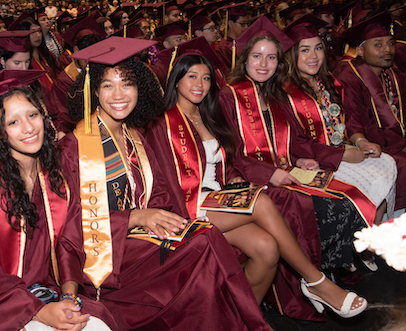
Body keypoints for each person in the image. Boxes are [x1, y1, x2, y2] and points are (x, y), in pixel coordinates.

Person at [64, 36, 269, 330]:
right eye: (108, 85)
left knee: (205, 239)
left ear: (140, 89)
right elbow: (69, 225)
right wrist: (135, 216)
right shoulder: (74, 149)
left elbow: (158, 193)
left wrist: (157, 219)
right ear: (94, 91)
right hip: (104, 252)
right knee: (202, 248)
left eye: (128, 84)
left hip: (140, 237)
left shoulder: (134, 137)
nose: (119, 94)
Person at [145, 52, 368, 318]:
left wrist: (233, 178)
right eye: (191, 76)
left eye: (206, 78)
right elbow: (164, 178)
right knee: (262, 201)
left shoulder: (208, 116)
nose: (199, 84)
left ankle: (242, 320)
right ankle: (316, 281)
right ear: (176, 81)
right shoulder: (162, 123)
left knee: (267, 248)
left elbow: (218, 165)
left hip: (215, 200)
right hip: (188, 208)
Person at [0, 69, 114, 331]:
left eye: (32, 114)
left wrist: (69, 295)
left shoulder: (57, 177)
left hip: (52, 294)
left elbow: (71, 242)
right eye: (13, 122)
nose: (28, 128)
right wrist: (36, 311)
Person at [220, 16, 370, 295]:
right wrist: (269, 173)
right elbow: (231, 153)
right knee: (312, 206)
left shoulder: (275, 94)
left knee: (346, 200)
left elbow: (297, 139)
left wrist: (300, 159)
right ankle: (310, 285)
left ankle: (325, 276)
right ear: (245, 59)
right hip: (253, 181)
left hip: (286, 170)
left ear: (280, 62)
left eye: (272, 57)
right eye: (257, 56)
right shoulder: (229, 96)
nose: (264, 64)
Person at [284, 14, 397, 225]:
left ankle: (372, 240)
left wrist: (360, 141)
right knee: (367, 188)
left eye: (318, 48)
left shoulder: (329, 82)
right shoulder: (285, 93)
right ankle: (364, 243)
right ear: (292, 54)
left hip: (342, 151)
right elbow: (296, 144)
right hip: (316, 161)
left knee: (386, 162)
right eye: (305, 50)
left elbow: (350, 117)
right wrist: (342, 155)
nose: (313, 56)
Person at [334, 13, 406, 212]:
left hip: (393, 140)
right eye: (378, 44)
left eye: (390, 43)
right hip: (365, 143)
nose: (387, 50)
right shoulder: (347, 76)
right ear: (360, 50)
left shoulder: (392, 74)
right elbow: (351, 118)